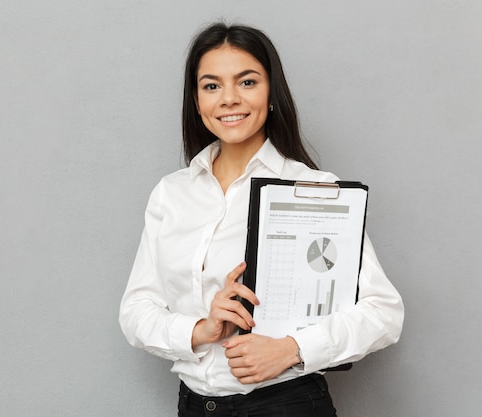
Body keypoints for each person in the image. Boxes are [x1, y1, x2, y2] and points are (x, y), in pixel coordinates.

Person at [119, 22, 404, 417]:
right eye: (212, 86)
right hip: (194, 405)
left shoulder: (314, 190)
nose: (229, 99)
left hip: (286, 404)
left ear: (271, 93)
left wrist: (293, 350)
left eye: (247, 82)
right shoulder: (172, 193)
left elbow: (383, 312)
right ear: (197, 101)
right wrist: (200, 330)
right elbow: (137, 310)